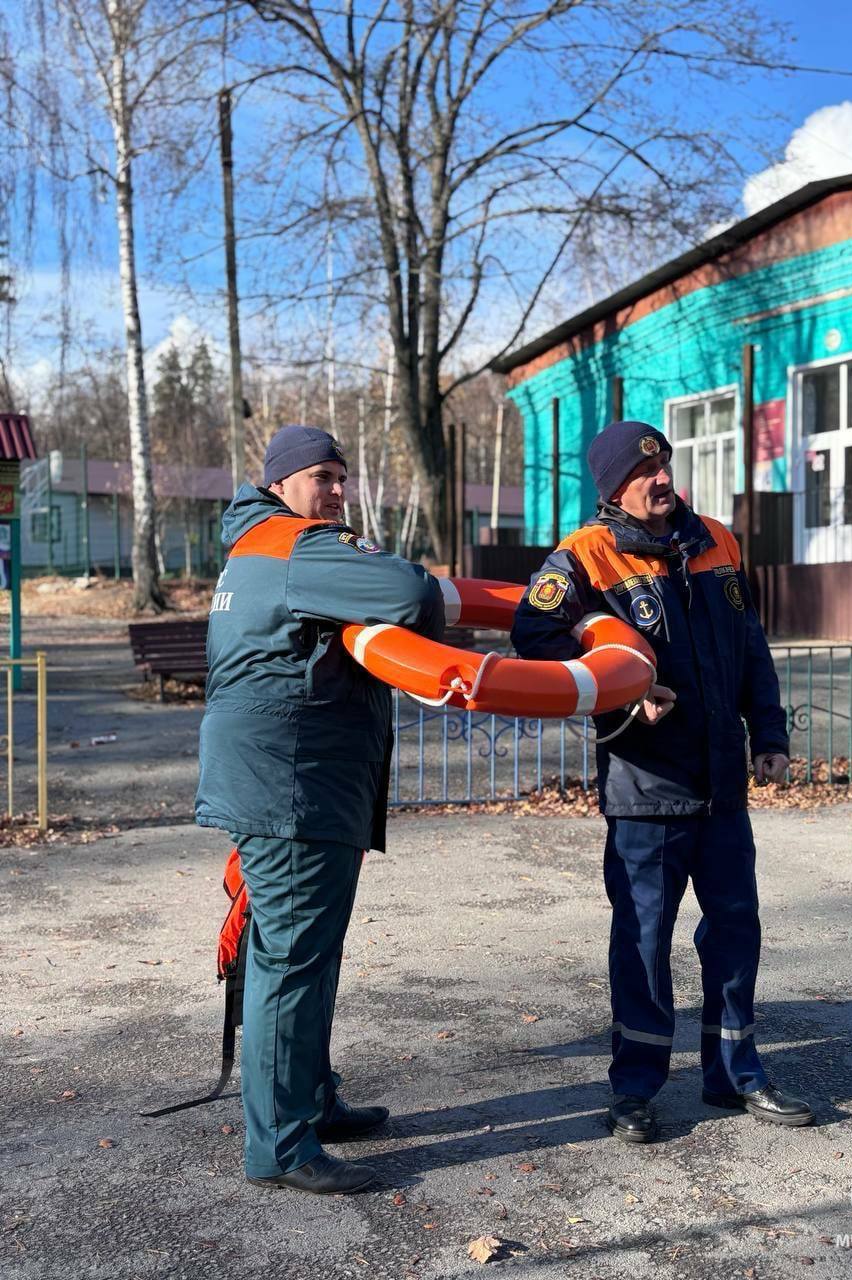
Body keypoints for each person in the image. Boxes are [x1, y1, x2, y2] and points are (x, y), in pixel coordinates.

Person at [511, 420, 813, 1143]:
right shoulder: (585, 554)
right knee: (644, 938)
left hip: (721, 784)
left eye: (664, 464)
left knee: (736, 928)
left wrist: (768, 735)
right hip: (645, 787)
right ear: (614, 486)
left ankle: (735, 1074)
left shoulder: (717, 540)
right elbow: (534, 632)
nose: (660, 479)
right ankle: (635, 1090)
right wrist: (621, 681)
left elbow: (750, 647)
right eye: (643, 471)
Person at [196, 425, 445, 1194]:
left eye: (341, 477)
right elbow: (411, 593)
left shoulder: (259, 547)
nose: (336, 492)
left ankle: (309, 1102)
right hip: (291, 785)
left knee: (308, 954)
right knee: (291, 964)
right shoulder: (297, 547)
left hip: (290, 780)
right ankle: (282, 1146)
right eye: (320, 477)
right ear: (279, 483)